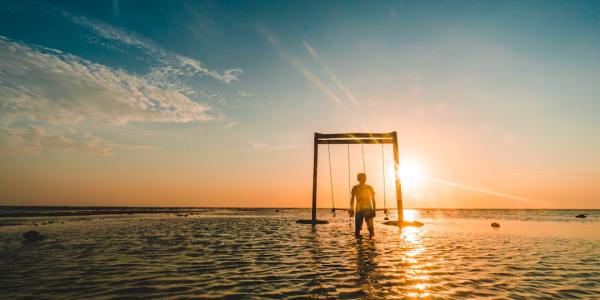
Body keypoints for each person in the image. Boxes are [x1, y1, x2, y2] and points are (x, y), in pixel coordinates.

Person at [349, 173, 376, 237]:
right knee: (357, 230)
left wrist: (374, 210)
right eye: (362, 178)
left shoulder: (369, 187)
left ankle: (371, 245)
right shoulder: (355, 188)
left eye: (364, 178)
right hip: (358, 210)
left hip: (368, 210)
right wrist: (351, 210)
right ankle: (358, 245)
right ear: (358, 179)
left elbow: (373, 200)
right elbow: (352, 200)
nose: (364, 179)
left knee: (371, 229)